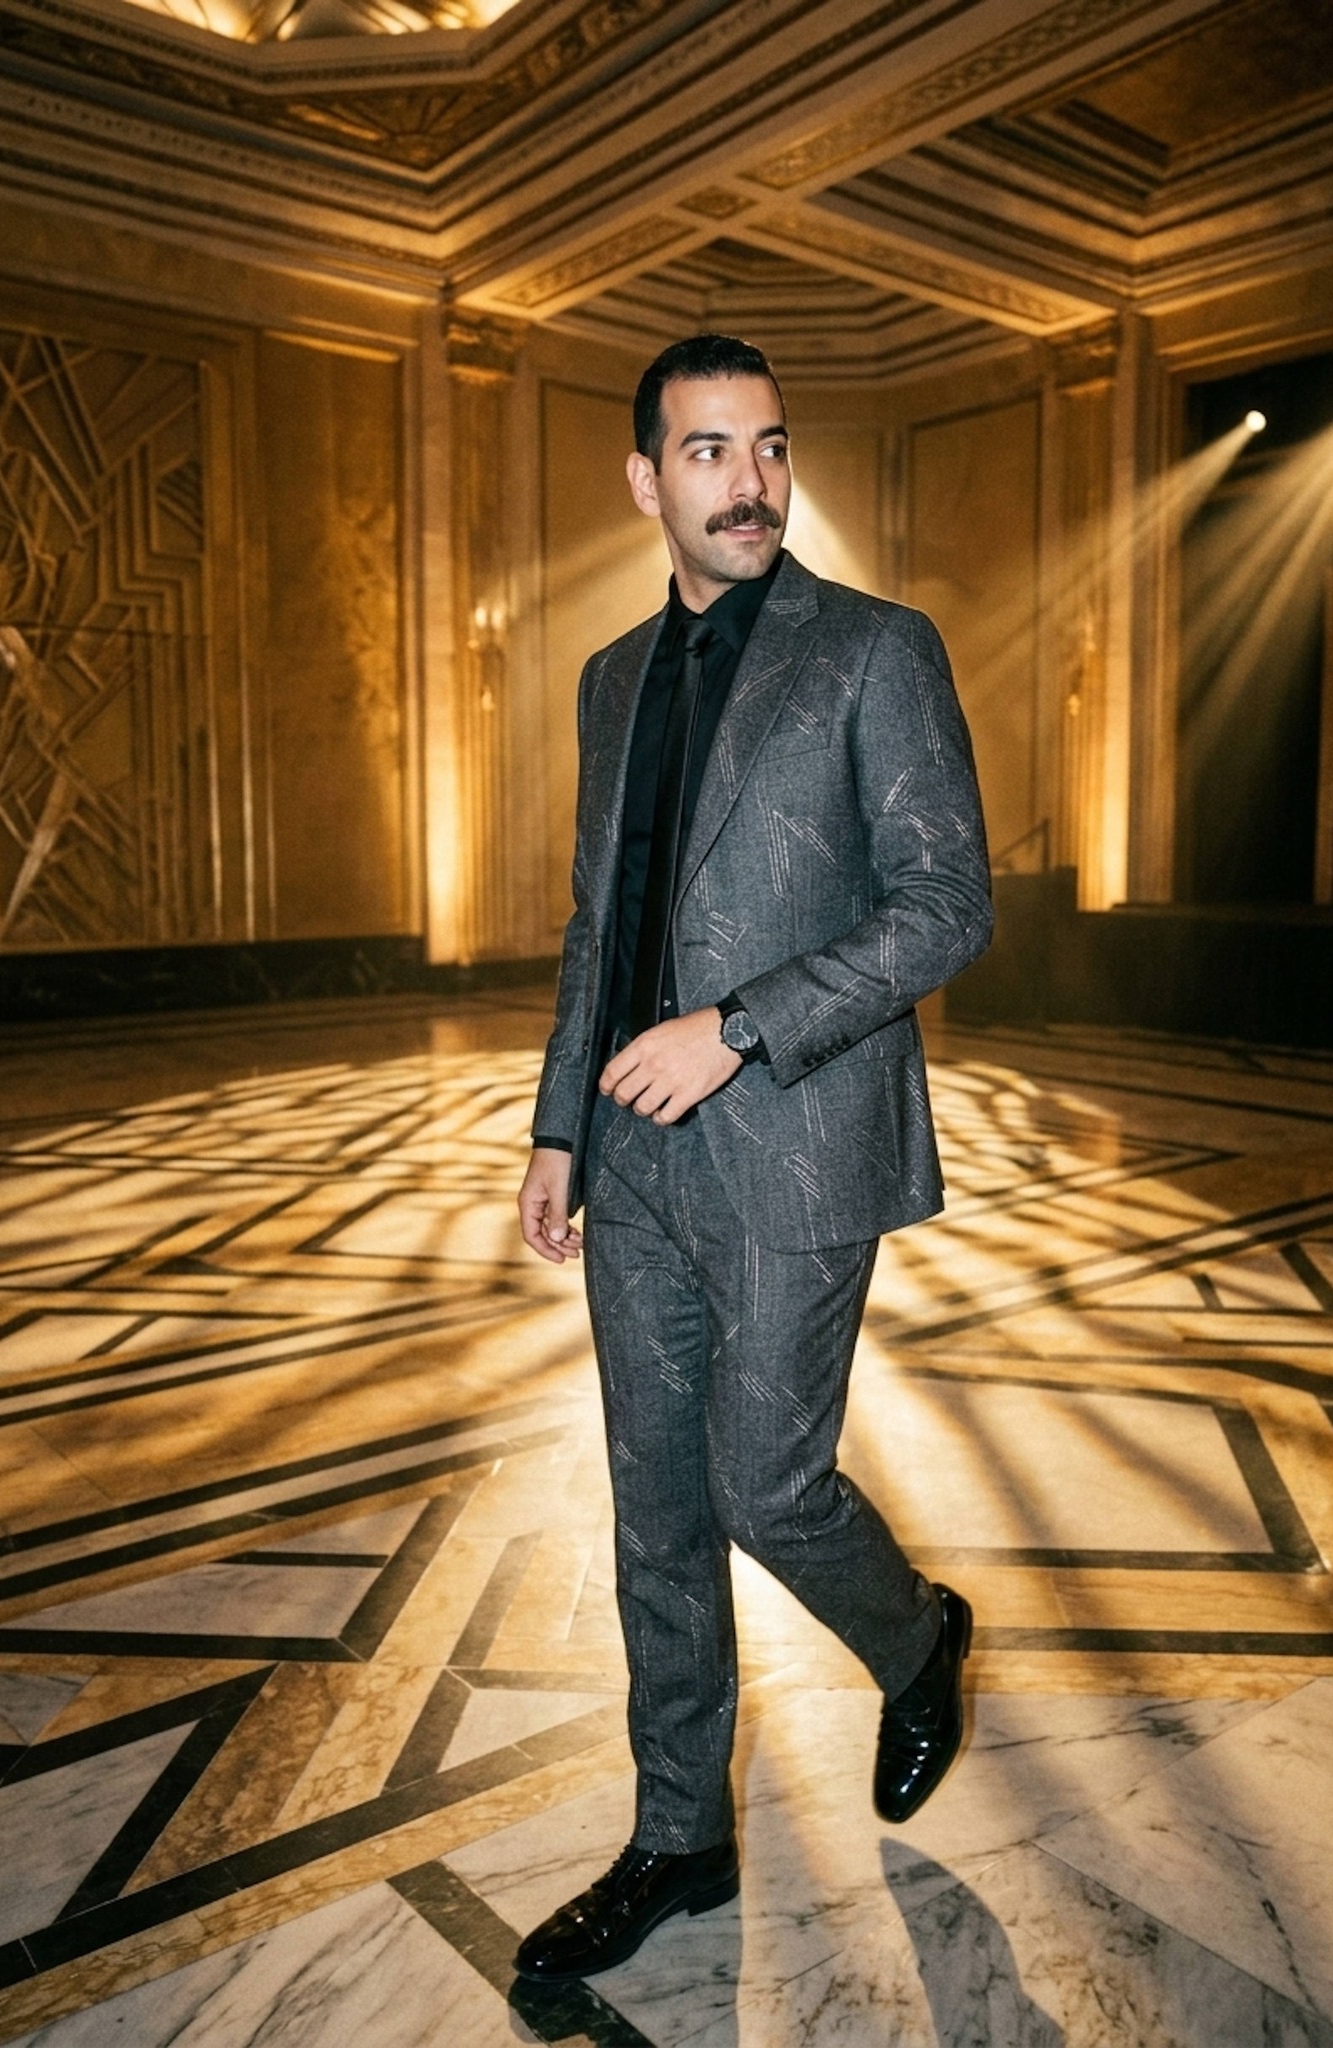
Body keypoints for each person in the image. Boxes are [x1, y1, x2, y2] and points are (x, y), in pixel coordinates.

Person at [514, 333, 992, 1982]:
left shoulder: (875, 651)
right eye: (710, 453)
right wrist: (559, 1121)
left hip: (798, 1142)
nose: (751, 483)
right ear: (645, 480)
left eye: (770, 447)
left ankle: (916, 1637)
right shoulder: (605, 682)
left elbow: (945, 908)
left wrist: (736, 1023)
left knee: (761, 1486)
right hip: (633, 1164)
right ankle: (679, 1836)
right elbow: (600, 923)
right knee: (655, 1509)